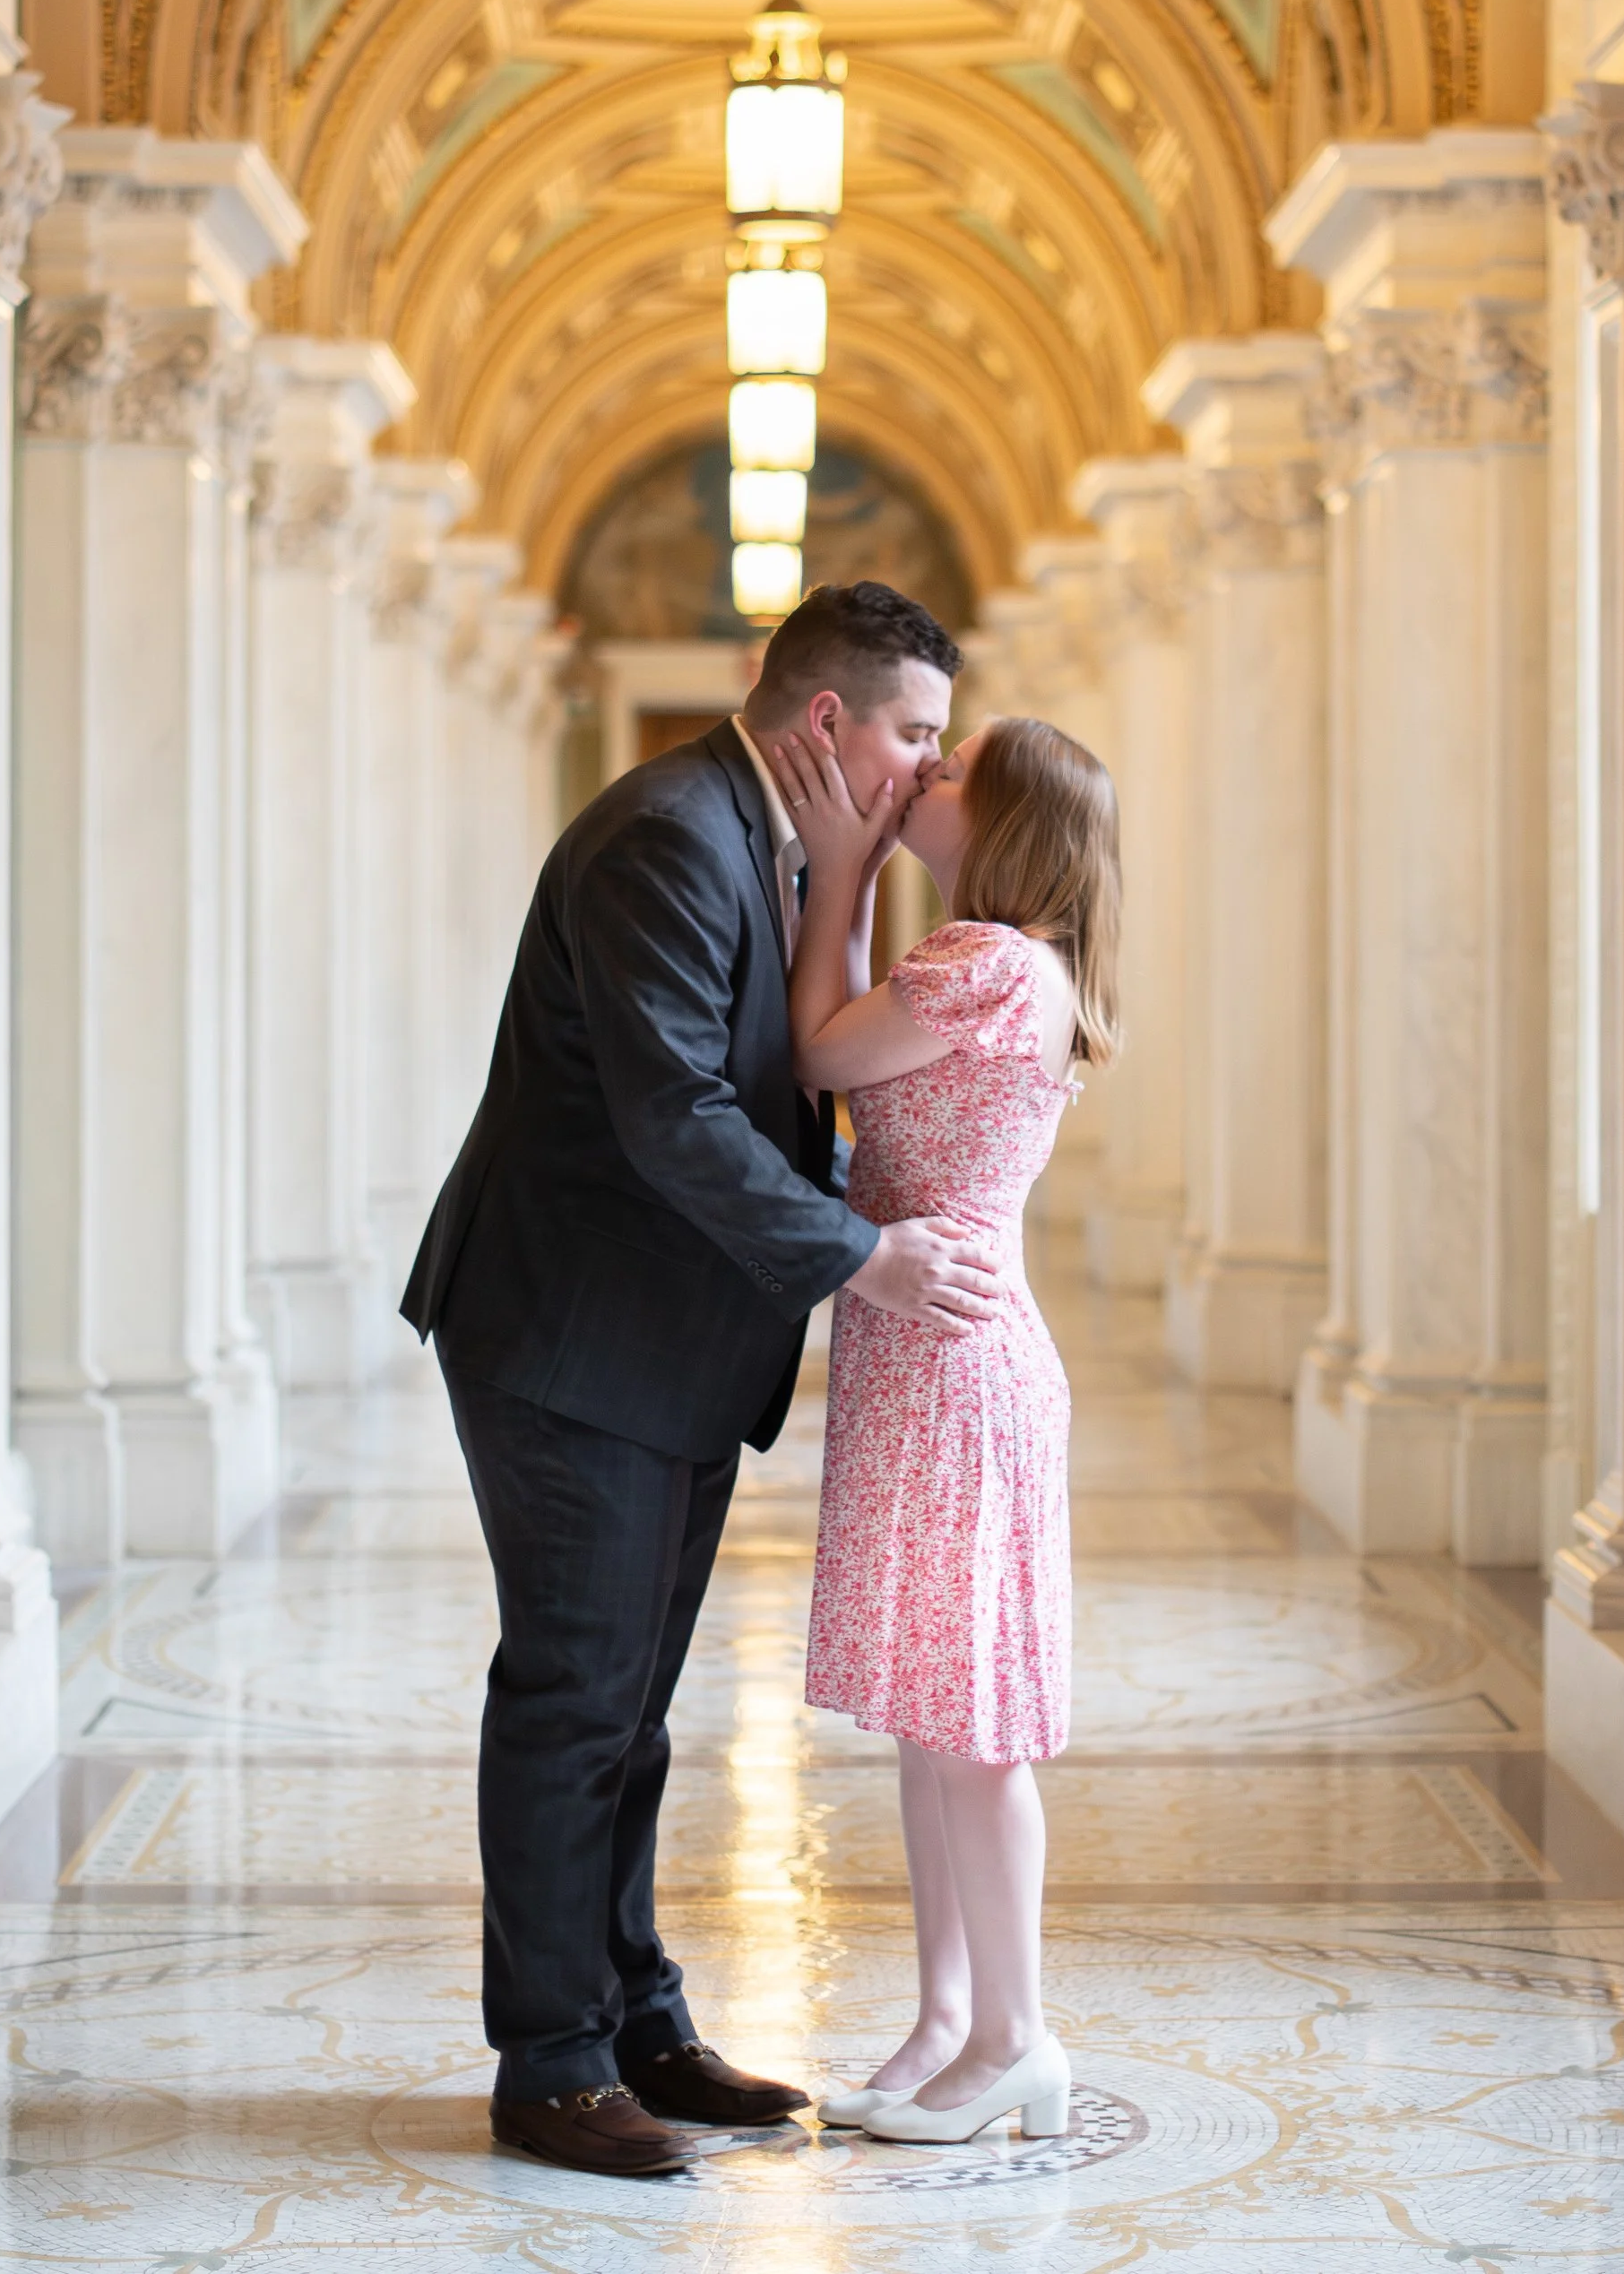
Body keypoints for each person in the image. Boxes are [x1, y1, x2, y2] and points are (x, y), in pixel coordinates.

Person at [401, 580, 1009, 2180]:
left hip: (662, 1344)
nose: (928, 766)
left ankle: (639, 2020)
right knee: (574, 1695)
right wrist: (860, 1256)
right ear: (832, 722)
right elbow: (678, 1111)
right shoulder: (669, 830)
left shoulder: (774, 839)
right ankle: (550, 2064)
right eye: (917, 733)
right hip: (572, 1338)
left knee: (635, 1712)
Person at [771, 710, 1121, 2147]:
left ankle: (1015, 2035)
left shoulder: (980, 960)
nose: (926, 771)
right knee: (932, 1721)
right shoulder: (1008, 960)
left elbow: (819, 1057)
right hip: (935, 1353)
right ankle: (943, 2018)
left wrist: (842, 871)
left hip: (958, 1362)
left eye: (954, 766)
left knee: (973, 1733)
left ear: (1007, 822)